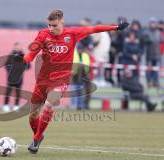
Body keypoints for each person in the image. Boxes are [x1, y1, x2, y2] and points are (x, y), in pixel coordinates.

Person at [15, 10, 129, 154]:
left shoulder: (72, 33)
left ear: (61, 21)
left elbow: (93, 29)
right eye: (49, 25)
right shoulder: (43, 34)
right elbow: (32, 53)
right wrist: (23, 61)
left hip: (61, 78)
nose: (51, 28)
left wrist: (115, 28)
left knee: (49, 105)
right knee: (32, 115)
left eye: (54, 25)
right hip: (43, 80)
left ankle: (36, 139)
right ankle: (38, 135)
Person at [3, 42, 30, 112]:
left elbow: (28, 66)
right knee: (8, 91)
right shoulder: (11, 55)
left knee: (18, 92)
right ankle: (6, 105)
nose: (18, 48)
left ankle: (16, 106)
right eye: (17, 46)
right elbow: (6, 65)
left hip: (19, 78)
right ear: (14, 47)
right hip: (11, 77)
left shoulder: (24, 55)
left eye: (19, 46)